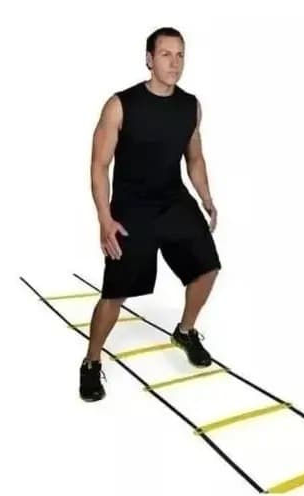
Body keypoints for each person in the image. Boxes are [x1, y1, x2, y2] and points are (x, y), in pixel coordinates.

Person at [79, 27, 221, 402]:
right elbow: (99, 165)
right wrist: (104, 219)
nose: (174, 63)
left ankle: (185, 332)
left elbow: (195, 157)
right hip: (131, 208)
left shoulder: (191, 106)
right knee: (114, 293)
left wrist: (206, 197)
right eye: (165, 55)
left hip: (173, 201)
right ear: (149, 59)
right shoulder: (120, 105)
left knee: (208, 267)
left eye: (180, 55)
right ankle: (91, 361)